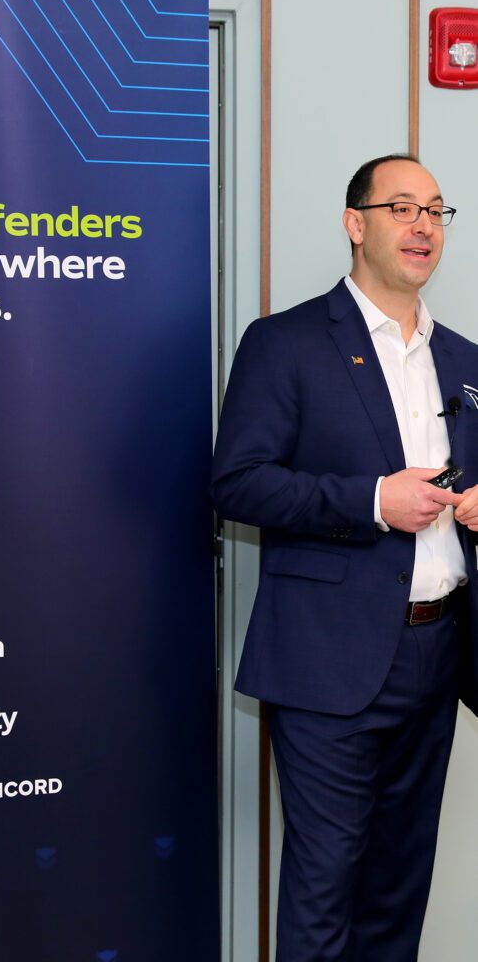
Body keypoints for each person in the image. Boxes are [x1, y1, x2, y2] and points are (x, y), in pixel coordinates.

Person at [211, 154, 478, 961]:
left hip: (438, 654)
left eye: (436, 210)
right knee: (326, 888)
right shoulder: (286, 342)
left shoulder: (465, 360)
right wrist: (370, 502)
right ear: (355, 225)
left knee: (399, 887)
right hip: (329, 659)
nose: (423, 224)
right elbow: (239, 484)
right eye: (402, 207)